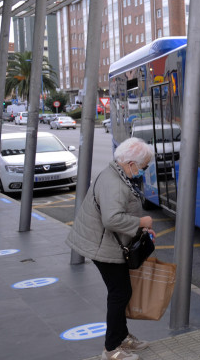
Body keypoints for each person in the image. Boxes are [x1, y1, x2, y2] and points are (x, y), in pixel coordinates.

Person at [66, 138, 155, 360]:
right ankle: (112, 347)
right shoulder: (114, 182)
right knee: (120, 293)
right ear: (131, 163)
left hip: (106, 242)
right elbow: (112, 219)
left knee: (121, 292)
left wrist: (138, 230)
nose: (144, 170)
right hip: (103, 246)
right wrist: (142, 222)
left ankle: (122, 337)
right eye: (144, 166)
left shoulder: (117, 173)